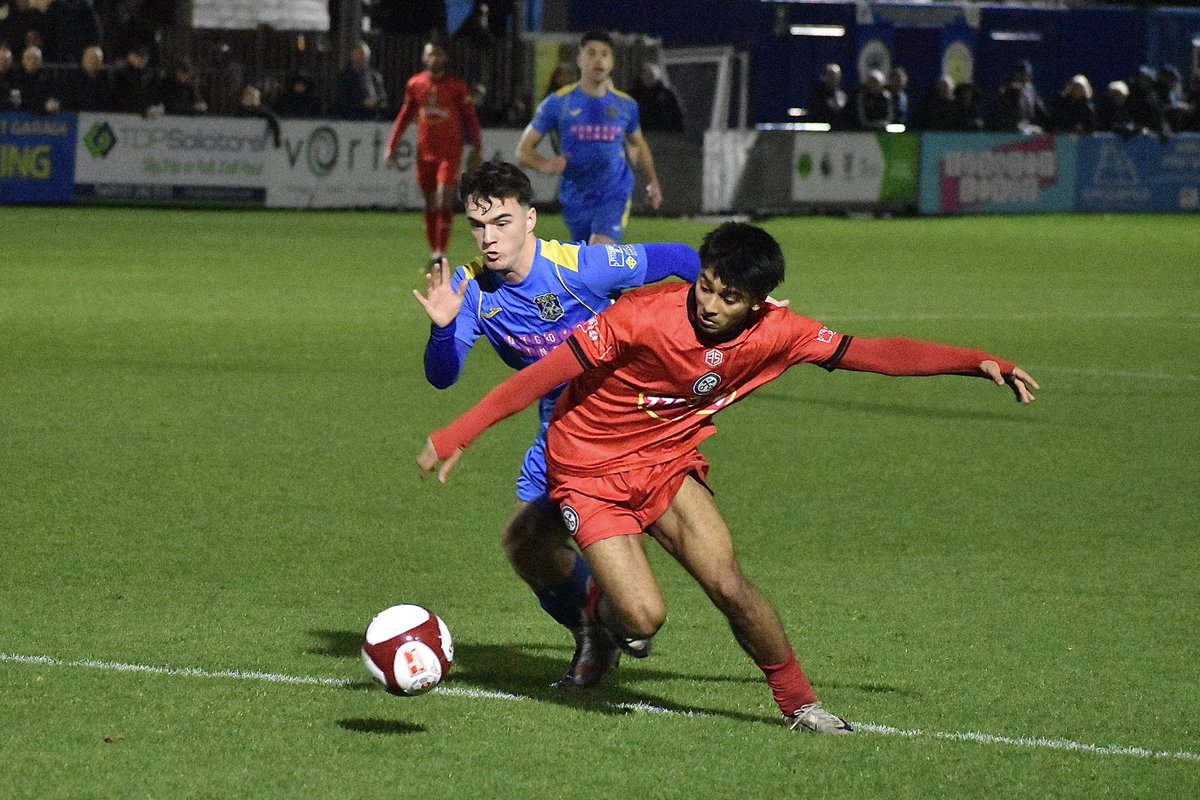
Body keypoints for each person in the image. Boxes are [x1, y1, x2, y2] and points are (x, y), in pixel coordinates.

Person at [418, 221, 1038, 733]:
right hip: (588, 470)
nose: (710, 305)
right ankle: (600, 617)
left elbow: (869, 353)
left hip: (665, 463)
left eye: (728, 298)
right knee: (643, 618)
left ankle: (801, 705)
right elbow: (543, 375)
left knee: (730, 584)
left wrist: (975, 363)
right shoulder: (640, 317)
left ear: (758, 302)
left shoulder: (779, 333)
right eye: (706, 287)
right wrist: (460, 432)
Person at [413, 158, 703, 690]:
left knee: (635, 554)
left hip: (626, 426)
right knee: (527, 545)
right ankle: (596, 627)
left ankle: (623, 617)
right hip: (558, 430)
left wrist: (743, 307)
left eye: (501, 222)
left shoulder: (582, 267)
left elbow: (684, 258)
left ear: (530, 219)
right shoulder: (472, 288)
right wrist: (442, 329)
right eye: (478, 225)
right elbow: (443, 377)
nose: (488, 238)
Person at [517, 29, 663, 246]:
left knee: (599, 251)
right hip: (576, 198)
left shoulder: (626, 105)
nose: (598, 59)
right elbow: (523, 151)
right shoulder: (558, 103)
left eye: (604, 54)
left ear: (612, 62)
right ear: (579, 59)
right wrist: (545, 165)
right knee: (588, 266)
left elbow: (638, 145)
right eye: (591, 53)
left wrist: (653, 182)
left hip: (614, 194)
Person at [385, 40, 483, 269]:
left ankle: (441, 252)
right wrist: (391, 145)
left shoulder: (457, 87)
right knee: (430, 203)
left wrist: (478, 146)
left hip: (449, 153)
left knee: (443, 199)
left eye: (438, 54)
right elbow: (404, 116)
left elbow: (471, 119)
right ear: (424, 57)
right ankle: (434, 252)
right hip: (424, 153)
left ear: (445, 58)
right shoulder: (415, 84)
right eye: (430, 54)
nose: (434, 58)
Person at [335, 40, 387, 120]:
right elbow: (341, 101)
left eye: (363, 54)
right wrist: (362, 104)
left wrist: (375, 103)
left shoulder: (375, 76)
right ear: (353, 55)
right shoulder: (345, 77)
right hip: (351, 120)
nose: (361, 57)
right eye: (358, 54)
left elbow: (383, 99)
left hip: (373, 119)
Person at [993, 59, 1049, 134]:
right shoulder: (1009, 88)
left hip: (1027, 125)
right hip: (1011, 128)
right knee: (1024, 132)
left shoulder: (1031, 90)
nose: (1025, 76)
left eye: (1027, 74)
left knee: (1039, 132)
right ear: (1016, 74)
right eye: (1022, 73)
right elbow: (1002, 108)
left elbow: (1042, 111)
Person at [629, 62, 685, 132]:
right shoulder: (633, 94)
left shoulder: (667, 94)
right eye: (645, 73)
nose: (647, 76)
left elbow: (676, 116)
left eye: (650, 74)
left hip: (663, 135)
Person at [110, 44, 162, 117]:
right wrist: (142, 110)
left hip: (148, 116)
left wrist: (155, 108)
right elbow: (121, 97)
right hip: (124, 116)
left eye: (143, 57)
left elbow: (155, 96)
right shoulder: (120, 75)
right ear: (129, 57)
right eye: (136, 56)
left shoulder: (152, 76)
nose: (140, 59)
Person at [59, 44, 113, 112]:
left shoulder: (103, 77)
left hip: (97, 116)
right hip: (78, 115)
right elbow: (68, 99)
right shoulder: (74, 77)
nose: (93, 61)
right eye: (91, 58)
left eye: (97, 59)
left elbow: (106, 100)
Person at [14, 44, 58, 114]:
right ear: (23, 60)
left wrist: (53, 102)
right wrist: (42, 106)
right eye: (29, 58)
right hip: (19, 115)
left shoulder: (46, 76)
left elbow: (52, 95)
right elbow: (19, 100)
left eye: (36, 59)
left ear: (40, 61)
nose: (32, 61)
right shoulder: (15, 76)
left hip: (43, 117)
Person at [807, 63, 847, 128]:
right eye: (831, 75)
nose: (834, 78)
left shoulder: (844, 93)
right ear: (824, 76)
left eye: (836, 75)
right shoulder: (817, 94)